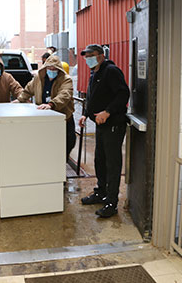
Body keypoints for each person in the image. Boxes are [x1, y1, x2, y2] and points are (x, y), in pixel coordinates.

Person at [79, 44, 129, 218]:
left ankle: (111, 203)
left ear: (101, 55)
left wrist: (107, 112)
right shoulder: (95, 73)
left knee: (112, 163)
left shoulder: (111, 71)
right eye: (86, 56)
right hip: (101, 126)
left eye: (91, 55)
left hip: (113, 125)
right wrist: (86, 114)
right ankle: (101, 192)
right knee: (100, 160)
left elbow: (123, 94)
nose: (87, 59)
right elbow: (93, 96)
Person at [15, 55, 76, 160]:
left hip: (63, 119)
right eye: (49, 68)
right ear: (45, 68)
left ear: (59, 69)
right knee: (45, 147)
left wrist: (51, 104)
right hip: (44, 119)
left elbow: (64, 95)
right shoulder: (38, 78)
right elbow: (28, 90)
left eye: (54, 69)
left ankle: (61, 167)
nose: (51, 71)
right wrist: (19, 99)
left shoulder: (66, 80)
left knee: (65, 145)